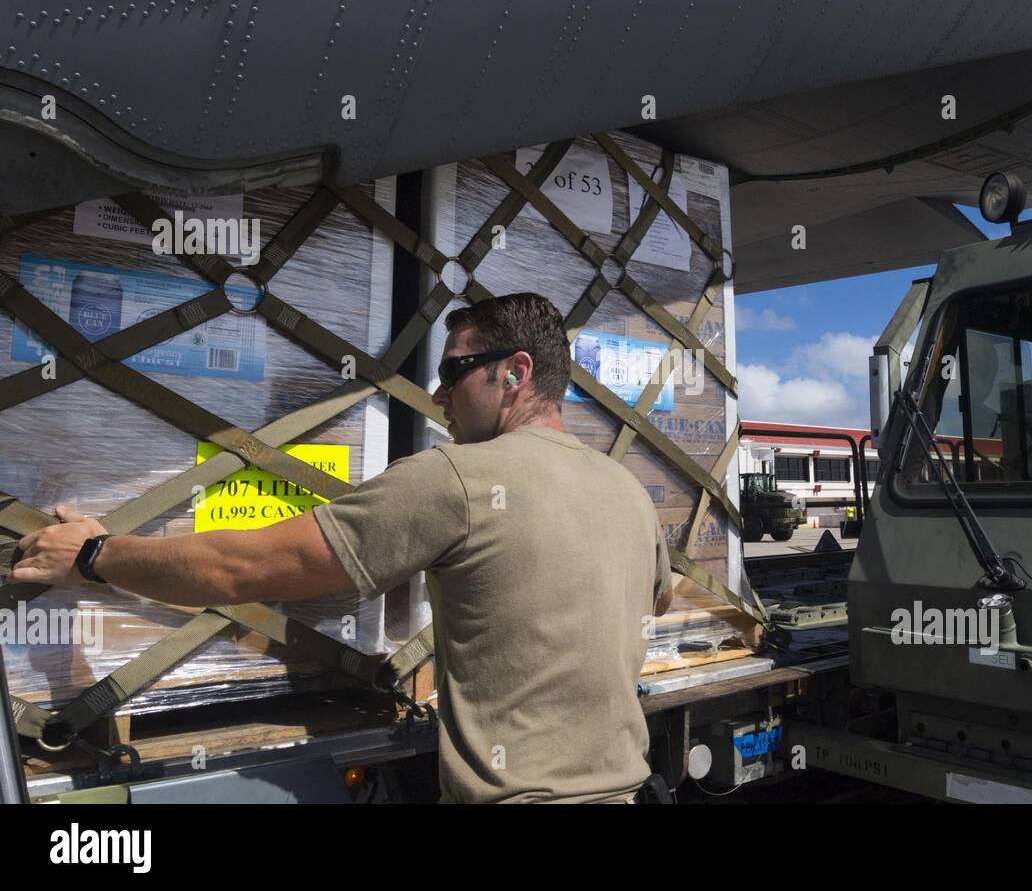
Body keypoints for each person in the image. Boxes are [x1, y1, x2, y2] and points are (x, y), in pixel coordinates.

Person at [12, 292, 675, 803]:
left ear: (514, 372)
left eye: (453, 372)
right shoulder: (630, 492)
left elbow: (238, 568)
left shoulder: (457, 478)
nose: (438, 395)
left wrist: (95, 554)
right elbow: (655, 599)